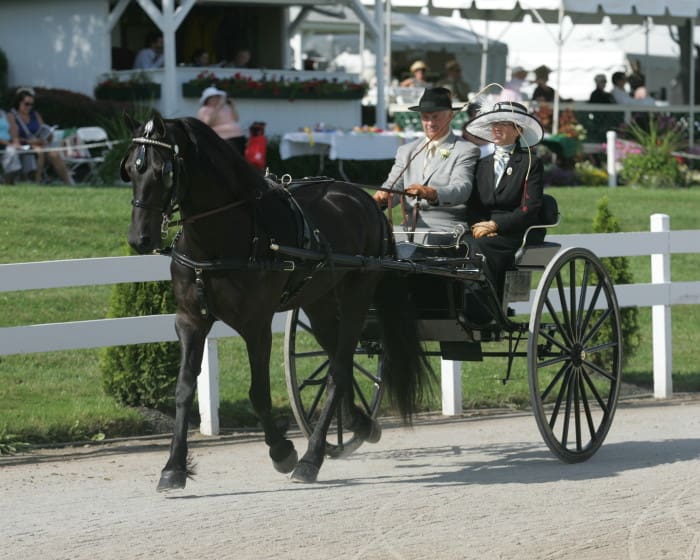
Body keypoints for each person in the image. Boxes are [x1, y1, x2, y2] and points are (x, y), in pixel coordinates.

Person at [462, 101, 545, 300]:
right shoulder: (482, 165)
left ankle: (485, 306)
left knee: (480, 248)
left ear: (518, 130)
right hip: (480, 230)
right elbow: (473, 204)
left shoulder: (529, 163)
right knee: (459, 245)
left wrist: (496, 225)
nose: (496, 128)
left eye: (503, 123)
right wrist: (478, 226)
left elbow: (530, 207)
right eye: (494, 123)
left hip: (512, 232)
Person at [373, 87, 479, 233]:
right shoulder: (406, 151)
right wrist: (384, 197)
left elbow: (462, 188)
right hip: (408, 227)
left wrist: (432, 193)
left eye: (436, 117)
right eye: (425, 117)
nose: (430, 123)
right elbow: (394, 184)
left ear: (450, 116)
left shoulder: (465, 149)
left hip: (446, 228)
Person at [11, 87, 73, 184]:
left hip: (39, 143)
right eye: (26, 104)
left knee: (54, 154)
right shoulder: (12, 117)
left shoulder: (35, 115)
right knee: (40, 151)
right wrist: (29, 141)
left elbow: (43, 128)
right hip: (24, 145)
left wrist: (47, 136)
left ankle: (68, 183)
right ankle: (38, 182)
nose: (29, 107)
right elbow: (12, 137)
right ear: (18, 102)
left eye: (31, 104)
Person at [196, 86, 246, 154]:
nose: (216, 99)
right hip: (222, 138)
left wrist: (233, 106)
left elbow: (236, 119)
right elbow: (208, 123)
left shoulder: (226, 107)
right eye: (213, 97)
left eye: (217, 97)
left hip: (238, 136)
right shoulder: (204, 110)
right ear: (207, 99)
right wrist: (218, 107)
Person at [0, 107, 22, 184]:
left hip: (8, 145)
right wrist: (10, 144)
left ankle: (9, 182)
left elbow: (13, 129)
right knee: (11, 150)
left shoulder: (4, 114)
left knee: (12, 152)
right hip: (4, 144)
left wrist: (15, 141)